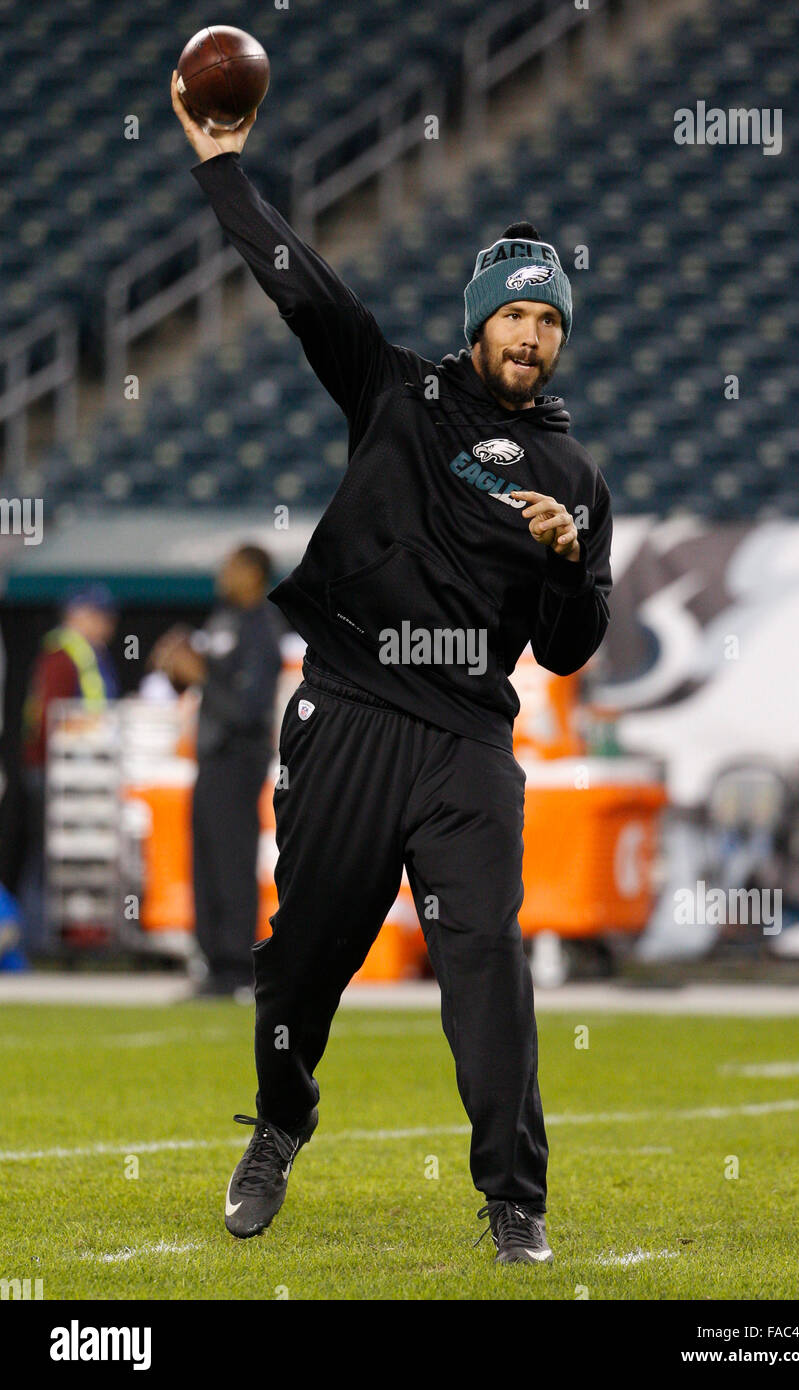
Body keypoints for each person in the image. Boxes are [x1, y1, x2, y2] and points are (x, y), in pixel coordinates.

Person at [172, 74, 613, 1265]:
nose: (530, 334)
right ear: (478, 321)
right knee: (301, 956)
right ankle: (278, 1121)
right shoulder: (396, 391)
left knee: (483, 961)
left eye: (550, 321)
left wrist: (568, 569)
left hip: (466, 740)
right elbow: (298, 287)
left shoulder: (576, 483)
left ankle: (512, 1195)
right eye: (515, 314)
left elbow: (570, 645)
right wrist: (222, 168)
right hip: (350, 709)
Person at [153, 546, 283, 998]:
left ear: (255, 574)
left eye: (233, 567)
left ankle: (238, 966)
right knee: (206, 860)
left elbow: (249, 710)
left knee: (231, 859)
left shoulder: (263, 629)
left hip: (239, 758)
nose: (223, 573)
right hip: (210, 757)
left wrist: (202, 674)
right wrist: (177, 666)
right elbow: (199, 681)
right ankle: (213, 962)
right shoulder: (221, 620)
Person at [20, 584, 119, 952]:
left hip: (76, 773)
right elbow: (52, 718)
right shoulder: (64, 654)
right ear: (79, 615)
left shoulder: (89, 654)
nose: (107, 625)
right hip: (55, 772)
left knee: (62, 857)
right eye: (100, 616)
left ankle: (55, 939)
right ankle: (36, 940)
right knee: (48, 856)